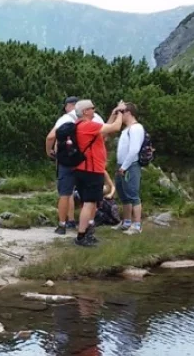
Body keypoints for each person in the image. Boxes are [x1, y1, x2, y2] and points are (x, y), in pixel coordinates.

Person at [46, 97, 106, 234]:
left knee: (65, 193)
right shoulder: (96, 119)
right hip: (85, 163)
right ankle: (89, 225)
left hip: (66, 162)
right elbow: (105, 134)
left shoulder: (65, 119)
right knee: (89, 198)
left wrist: (49, 152)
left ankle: (63, 224)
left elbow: (50, 137)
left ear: (69, 106)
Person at [72, 99, 125, 247]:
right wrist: (121, 112)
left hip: (82, 169)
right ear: (85, 112)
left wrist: (113, 114)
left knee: (90, 204)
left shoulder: (80, 126)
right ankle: (81, 236)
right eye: (92, 108)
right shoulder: (88, 125)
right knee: (89, 204)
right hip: (92, 170)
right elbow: (115, 127)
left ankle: (87, 232)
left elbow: (104, 131)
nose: (94, 110)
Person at [115, 102, 145, 234]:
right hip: (121, 164)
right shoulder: (126, 129)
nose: (119, 115)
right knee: (123, 194)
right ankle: (126, 222)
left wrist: (125, 166)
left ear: (128, 113)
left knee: (133, 194)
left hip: (130, 165)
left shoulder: (136, 128)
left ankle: (137, 225)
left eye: (121, 112)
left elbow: (134, 150)